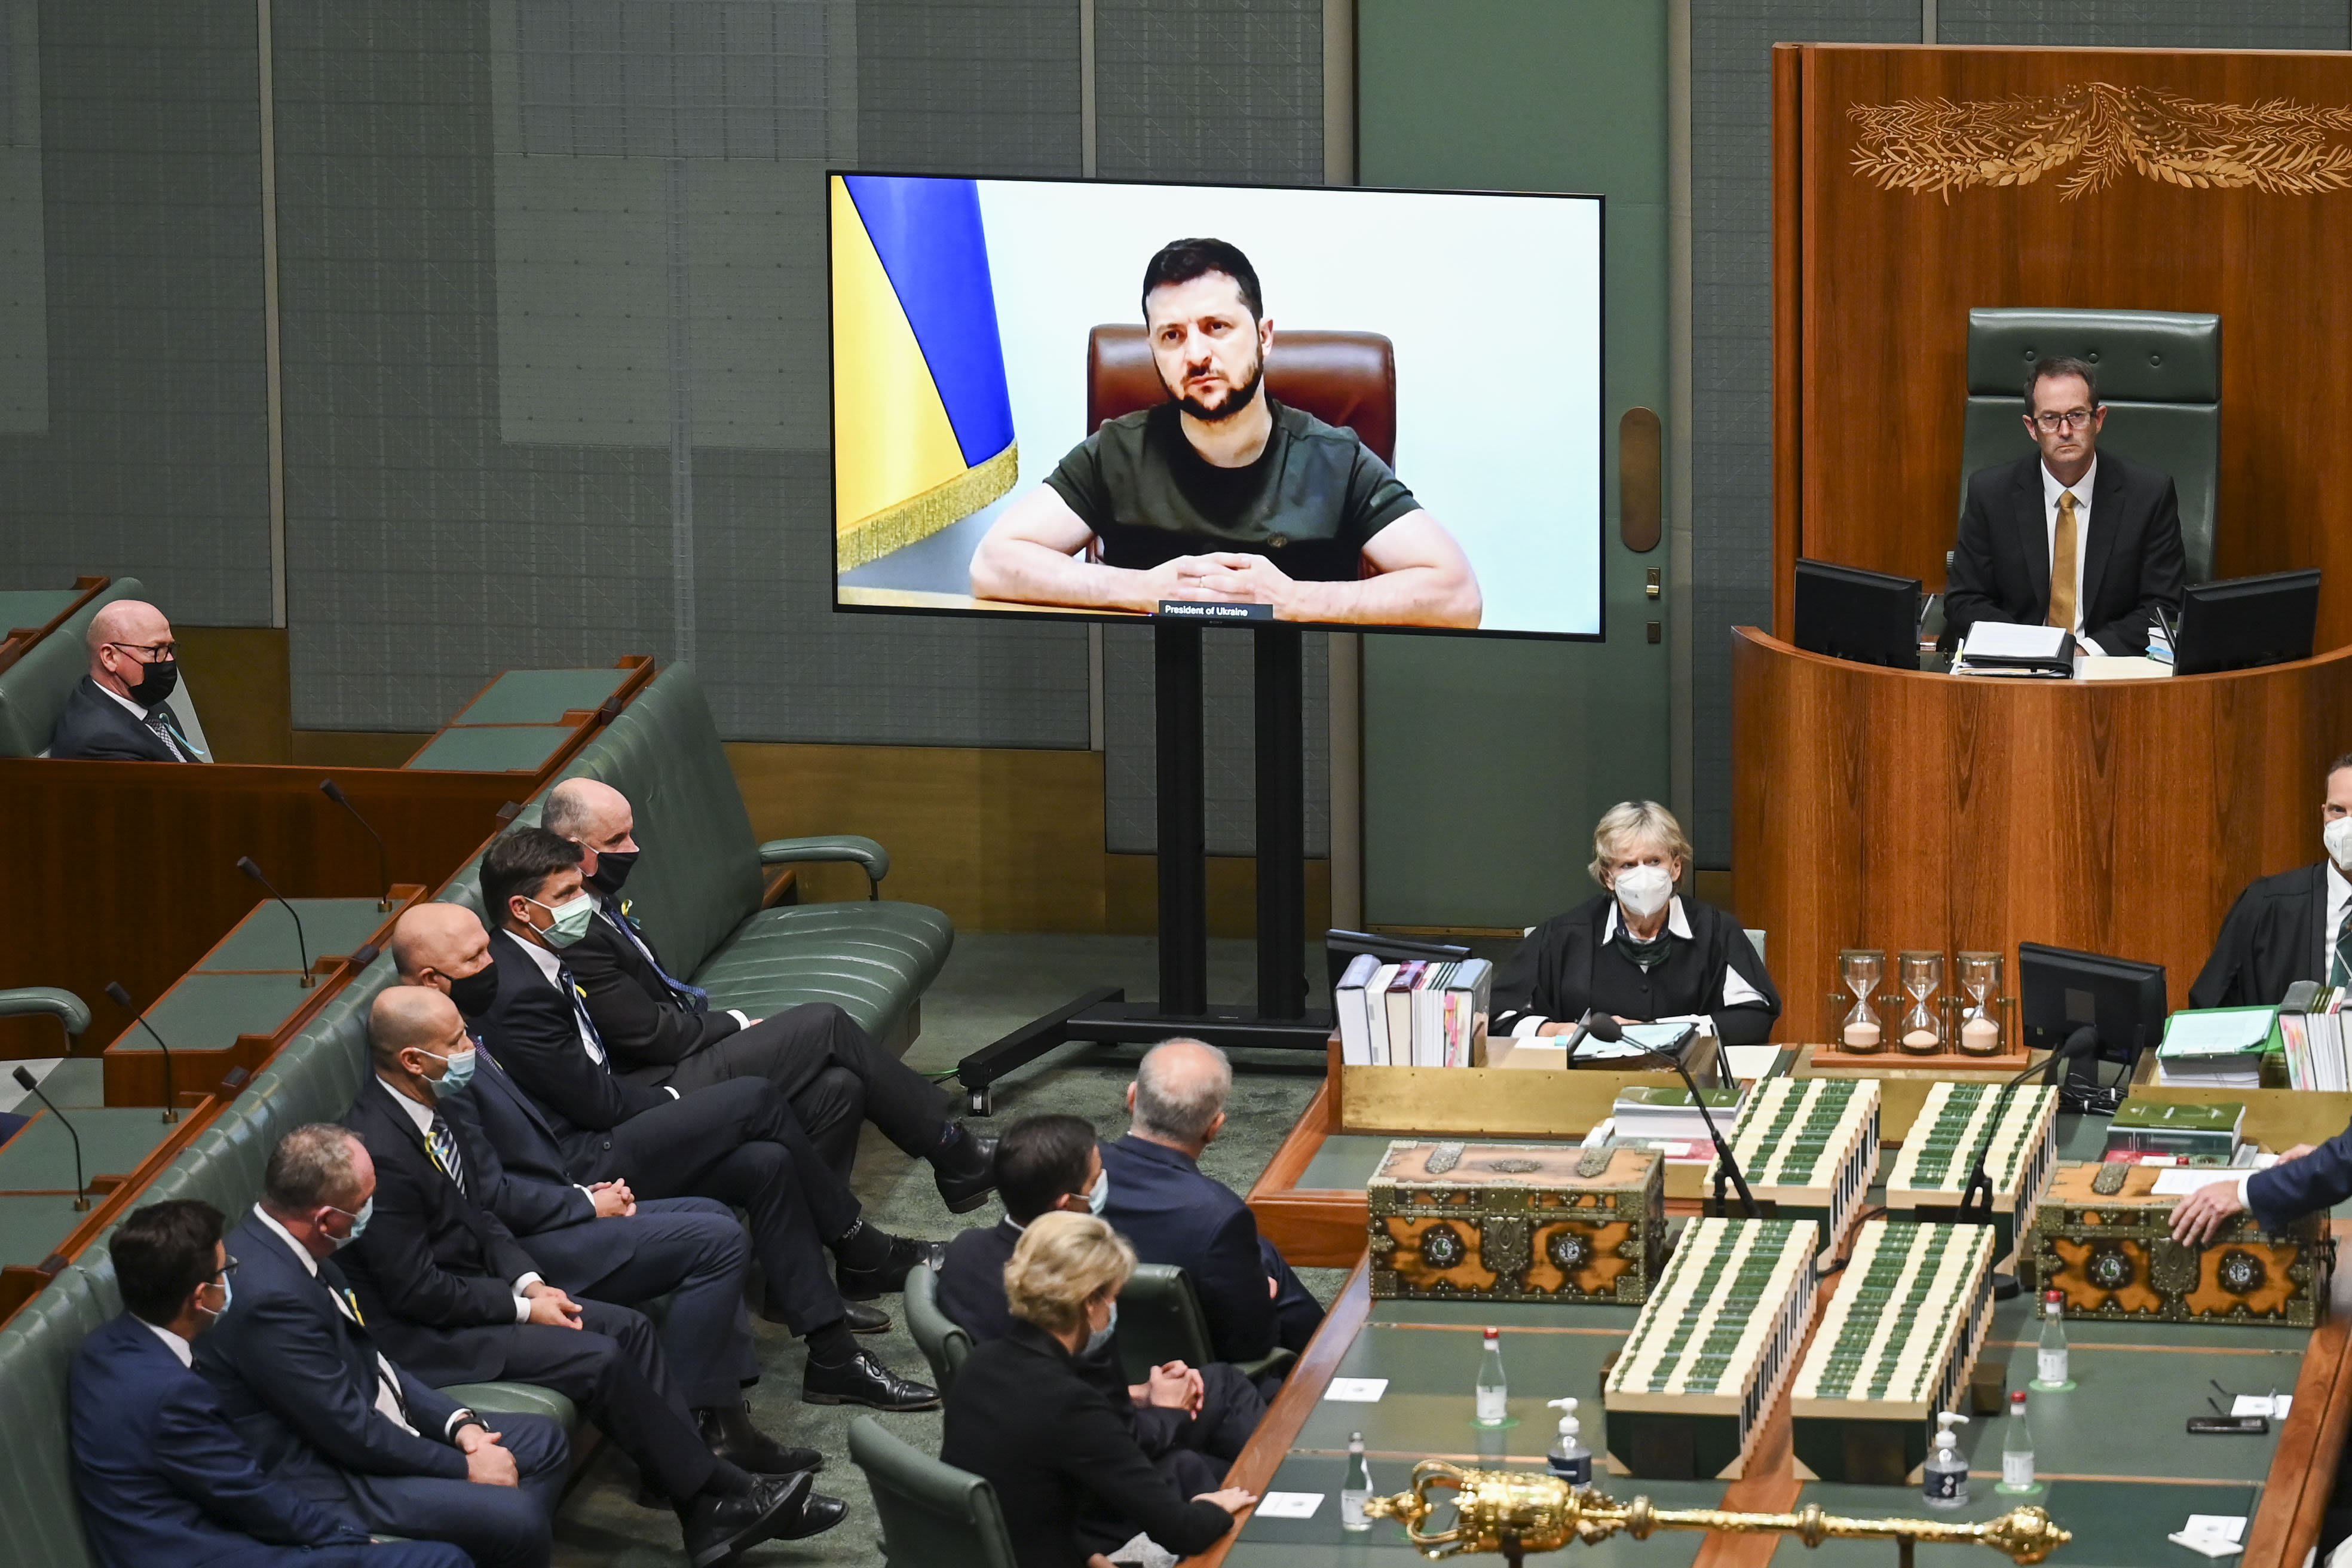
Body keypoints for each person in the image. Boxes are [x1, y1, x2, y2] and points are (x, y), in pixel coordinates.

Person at [340, 983, 846, 1549]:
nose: (469, 1049)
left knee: (628, 1327)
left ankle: (707, 1506)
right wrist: (525, 1307)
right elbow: (417, 1293)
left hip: (473, 1291)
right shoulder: (378, 1150)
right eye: (456, 1040)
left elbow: (480, 1218)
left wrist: (530, 1281)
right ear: (412, 1059)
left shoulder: (428, 1105)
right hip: (423, 1336)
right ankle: (722, 1494)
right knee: (601, 1354)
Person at [443, 843, 941, 1410]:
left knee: (767, 1163)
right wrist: (675, 1099)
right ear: (523, 910)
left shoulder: (544, 957)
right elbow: (597, 1104)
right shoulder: (512, 989)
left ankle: (833, 1357)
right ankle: (860, 1242)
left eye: (580, 888)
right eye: (567, 895)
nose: (584, 901)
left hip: (608, 1122)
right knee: (754, 1097)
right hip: (585, 1160)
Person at [968, 237, 1482, 629]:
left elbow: (1458, 595)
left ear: (1263, 337)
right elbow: (993, 564)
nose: (1196, 355)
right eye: (1172, 336)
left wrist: (1297, 600)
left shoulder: (1335, 460)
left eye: (1217, 327)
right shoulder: (1119, 452)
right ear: (1153, 351)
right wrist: (1144, 590)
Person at [540, 776, 996, 1203]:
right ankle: (951, 1150)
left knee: (840, 1086)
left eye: (631, 834)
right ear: (573, 849)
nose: (634, 850)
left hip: (674, 1058)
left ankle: (845, 1243)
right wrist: (735, 1024)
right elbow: (648, 1037)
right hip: (653, 1088)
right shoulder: (567, 927)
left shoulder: (591, 901)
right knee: (824, 1024)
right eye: (617, 841)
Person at [195, 1126, 573, 1568]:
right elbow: (348, 1430)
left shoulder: (298, 1247)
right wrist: (464, 1468)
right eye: (364, 1203)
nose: (371, 1211)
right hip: (328, 1473)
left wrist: (459, 1425)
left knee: (543, 1444)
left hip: (372, 1427)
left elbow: (373, 1361)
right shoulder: (268, 1299)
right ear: (326, 1220)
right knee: (519, 1517)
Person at [71, 1198, 468, 1568]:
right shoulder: (172, 1394)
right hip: (205, 1553)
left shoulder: (100, 1351)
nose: (233, 1281)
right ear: (201, 1296)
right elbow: (247, 1495)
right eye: (227, 1272)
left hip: (171, 1534)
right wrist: (349, 1539)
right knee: (443, 1561)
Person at [937, 1114, 1264, 1476]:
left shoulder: (963, 1253)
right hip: (1083, 1469)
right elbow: (1118, 1439)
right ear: (1066, 1205)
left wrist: (1136, 1395)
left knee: (1223, 1389)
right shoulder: (1073, 1290)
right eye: (1095, 1180)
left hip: (1020, 1442)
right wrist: (1167, 1410)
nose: (1105, 1184)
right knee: (1224, 1452)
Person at [941, 1211, 1255, 1568]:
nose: (1113, 1310)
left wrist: (1086, 1554)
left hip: (1004, 1552)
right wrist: (1213, 1507)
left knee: (1187, 1466)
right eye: (1113, 1298)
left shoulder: (980, 1363)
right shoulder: (1071, 1403)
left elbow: (1017, 1492)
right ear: (1091, 1302)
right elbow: (1182, 1531)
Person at [1098, 1039, 1323, 1367]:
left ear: (1132, 1098)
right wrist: (1260, 1298)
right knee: (1263, 1256)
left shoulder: (1071, 1174)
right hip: (1195, 1383)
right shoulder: (1219, 1215)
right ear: (1214, 1127)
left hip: (1085, 1364)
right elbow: (1249, 1347)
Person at [1943, 354, 2186, 657]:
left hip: (2110, 667)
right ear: (2031, 428)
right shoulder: (1990, 494)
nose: (2065, 431)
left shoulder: (2149, 495)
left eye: (2076, 416)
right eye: (2050, 419)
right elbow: (1964, 600)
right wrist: (2031, 650)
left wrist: (2086, 651)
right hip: (2016, 667)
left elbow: (2164, 605)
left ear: (2099, 420)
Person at [1492, 800, 1781, 1048]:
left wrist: (1665, 1031)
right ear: (1608, 876)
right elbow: (1498, 1017)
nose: (1643, 875)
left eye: (1654, 861)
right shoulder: (1562, 936)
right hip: (1585, 1087)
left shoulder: (1716, 931)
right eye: (1628, 865)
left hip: (1689, 1088)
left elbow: (1754, 1018)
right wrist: (1556, 1031)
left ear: (1676, 867)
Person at [2192, 754, 2352, 1008]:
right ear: (2324, 813)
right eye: (2338, 810)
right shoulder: (2266, 905)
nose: (2347, 826)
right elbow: (2210, 1008)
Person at [48, 598, 207, 761]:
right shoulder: (101, 743)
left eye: (169, 648)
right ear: (110, 657)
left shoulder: (140, 695)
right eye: (156, 650)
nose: (168, 660)